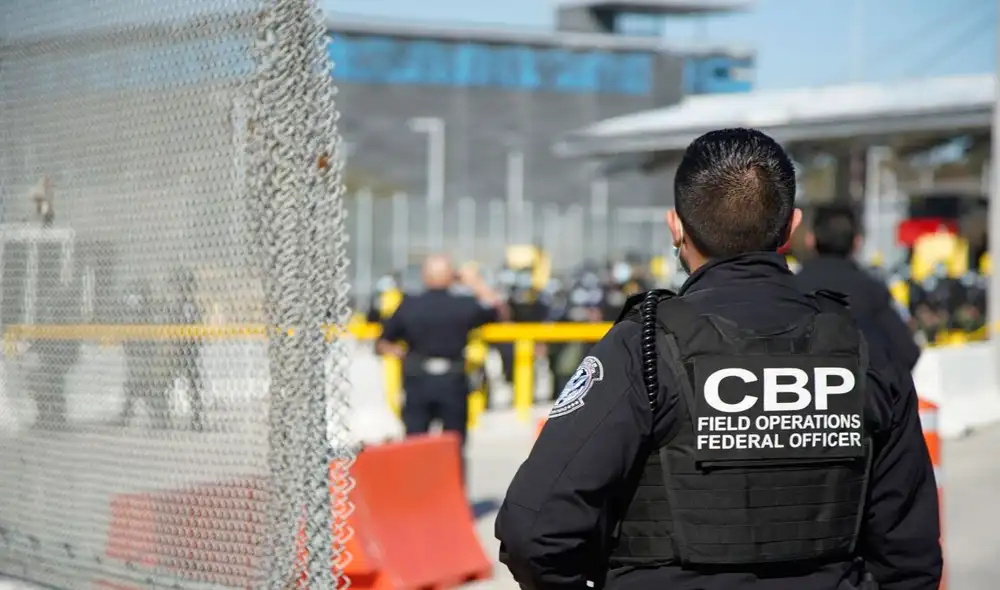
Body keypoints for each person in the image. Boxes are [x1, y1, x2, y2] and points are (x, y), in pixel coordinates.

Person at [495, 128, 941, 590]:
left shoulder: (644, 347)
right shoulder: (862, 347)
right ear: (791, 227)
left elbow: (533, 530)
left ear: (676, 227)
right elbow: (910, 556)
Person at [376, 255, 508, 463]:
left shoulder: (409, 305)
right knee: (454, 445)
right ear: (451, 277)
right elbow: (499, 311)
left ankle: (417, 490)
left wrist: (402, 354)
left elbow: (383, 342)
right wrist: (475, 282)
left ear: (424, 277)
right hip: (452, 378)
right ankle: (451, 490)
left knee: (414, 443)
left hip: (417, 376)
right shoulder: (464, 305)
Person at [796, 203, 922, 371]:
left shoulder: (788, 289)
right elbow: (907, 353)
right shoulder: (872, 291)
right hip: (860, 391)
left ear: (810, 240)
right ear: (857, 242)